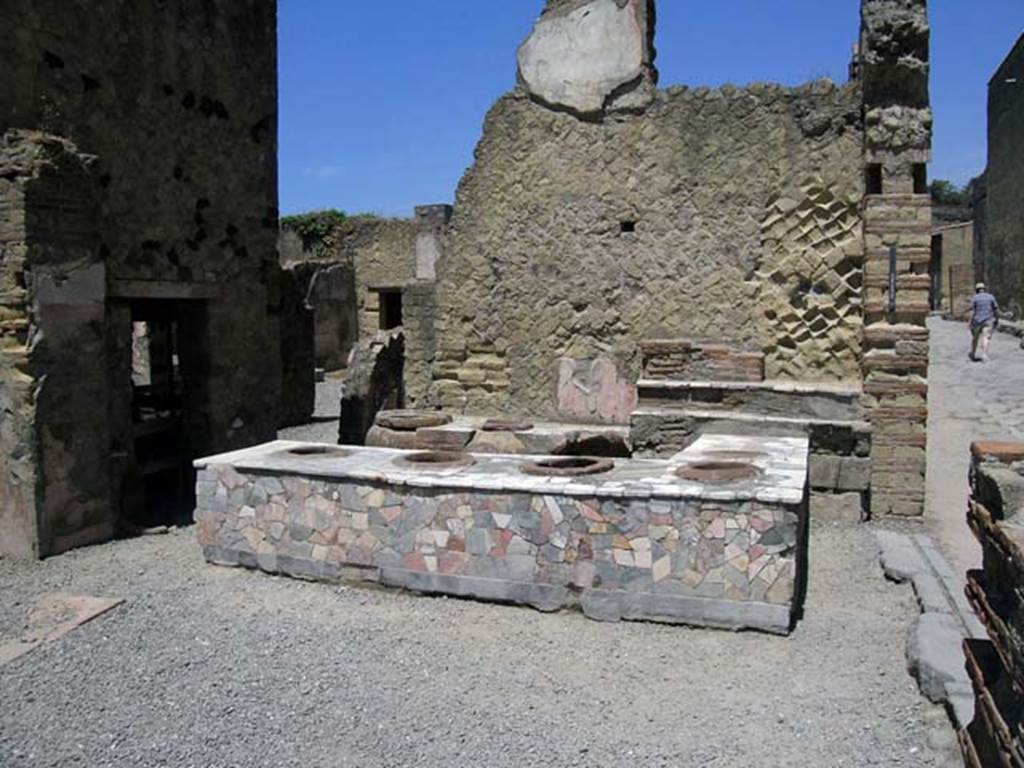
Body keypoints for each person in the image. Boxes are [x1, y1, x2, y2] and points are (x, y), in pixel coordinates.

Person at [969, 282, 999, 362]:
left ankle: (972, 353)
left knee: (975, 338)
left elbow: (972, 311)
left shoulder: (975, 298)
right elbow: (995, 309)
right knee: (986, 338)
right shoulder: (991, 297)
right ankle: (984, 355)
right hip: (988, 320)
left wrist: (970, 322)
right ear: (984, 289)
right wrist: (997, 319)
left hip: (977, 321)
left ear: (977, 290)